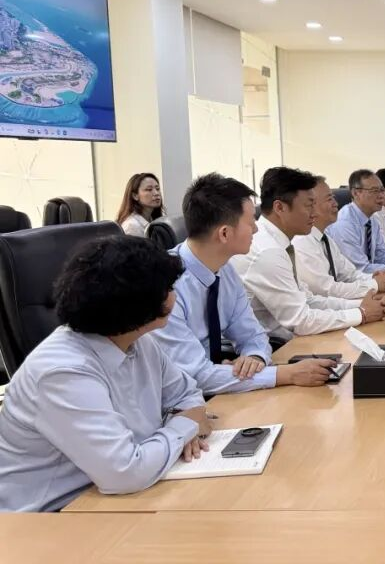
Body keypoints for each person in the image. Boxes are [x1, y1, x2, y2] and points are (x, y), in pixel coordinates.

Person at [0, 236, 210, 512]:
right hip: (49, 516)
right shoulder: (61, 372)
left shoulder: (139, 341)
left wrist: (184, 424)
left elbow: (188, 396)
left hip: (115, 495)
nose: (176, 295)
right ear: (137, 305)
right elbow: (125, 473)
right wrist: (184, 427)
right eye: (169, 288)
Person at [152, 173, 338, 396]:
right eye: (251, 223)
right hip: (176, 400)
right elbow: (194, 375)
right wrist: (286, 374)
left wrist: (254, 358)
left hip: (221, 383)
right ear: (224, 233)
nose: (257, 229)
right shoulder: (164, 285)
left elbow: (253, 335)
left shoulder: (225, 269)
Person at [231, 167, 385, 342]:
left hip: (296, 338)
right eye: (309, 205)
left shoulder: (280, 243)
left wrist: (360, 305)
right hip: (277, 346)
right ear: (280, 207)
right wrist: (361, 313)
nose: (314, 213)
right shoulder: (267, 251)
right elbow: (300, 320)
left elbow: (308, 300)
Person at [294, 176, 385, 299]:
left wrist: (374, 278)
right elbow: (326, 290)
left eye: (333, 198)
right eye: (329, 199)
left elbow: (349, 274)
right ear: (310, 205)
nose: (336, 204)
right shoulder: (302, 241)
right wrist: (374, 285)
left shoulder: (325, 239)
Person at [116, 172, 164, 237]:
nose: (156, 193)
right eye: (149, 189)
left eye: (157, 189)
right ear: (135, 196)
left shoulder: (153, 219)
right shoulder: (132, 226)